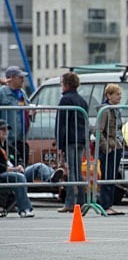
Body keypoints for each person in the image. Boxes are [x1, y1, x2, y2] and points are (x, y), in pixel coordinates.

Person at [55, 72, 89, 213]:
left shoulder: (65, 100)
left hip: (70, 139)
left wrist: (59, 144)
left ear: (66, 84)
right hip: (81, 139)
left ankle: (70, 202)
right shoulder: (82, 100)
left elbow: (61, 123)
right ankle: (81, 201)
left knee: (71, 172)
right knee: (78, 171)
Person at [96, 84, 126, 215]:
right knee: (107, 176)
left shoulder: (116, 110)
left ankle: (110, 204)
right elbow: (98, 130)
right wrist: (105, 146)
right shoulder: (105, 110)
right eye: (117, 94)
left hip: (117, 146)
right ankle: (105, 204)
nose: (120, 97)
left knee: (112, 176)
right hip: (109, 147)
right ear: (109, 95)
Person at [0, 66, 35, 166]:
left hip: (21, 139)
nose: (23, 80)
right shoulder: (2, 93)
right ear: (11, 78)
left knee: (23, 165)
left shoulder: (22, 94)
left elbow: (26, 109)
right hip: (8, 140)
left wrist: (31, 113)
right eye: (20, 77)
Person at [0, 119, 35, 217]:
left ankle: (52, 177)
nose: (5, 132)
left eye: (7, 129)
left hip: (16, 172)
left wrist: (21, 165)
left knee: (39, 166)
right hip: (4, 174)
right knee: (19, 177)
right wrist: (7, 169)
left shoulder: (9, 147)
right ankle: (25, 209)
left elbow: (19, 157)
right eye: (2, 129)